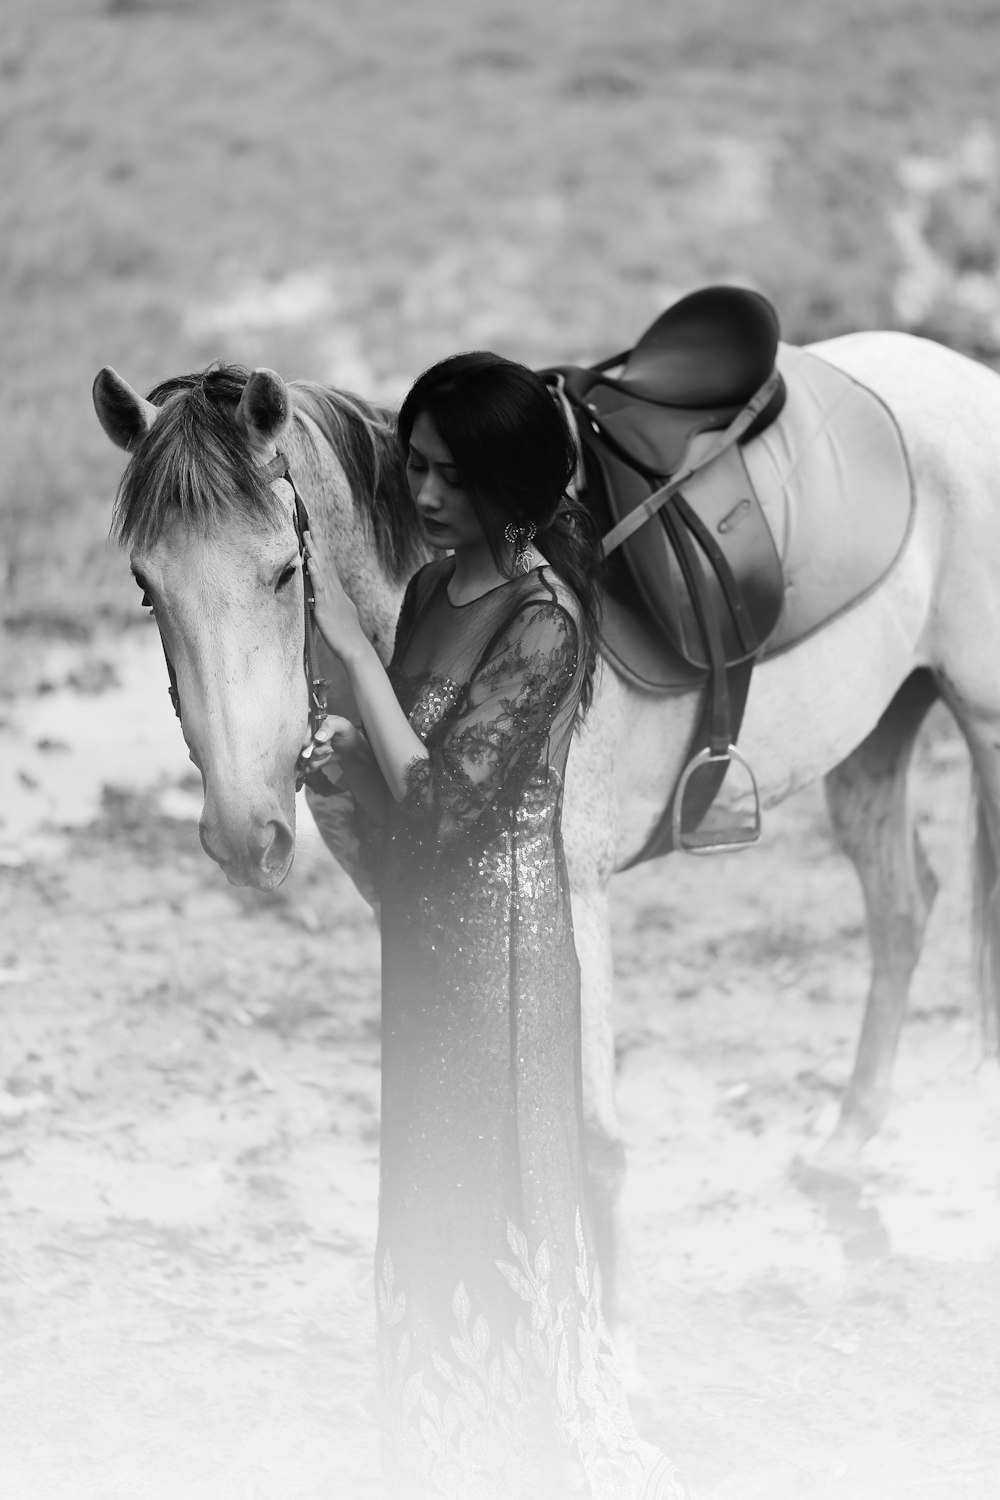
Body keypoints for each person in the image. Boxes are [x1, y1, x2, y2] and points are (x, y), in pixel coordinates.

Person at [303, 352, 694, 1499]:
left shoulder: (543, 628)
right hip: (424, 945)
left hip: (503, 957)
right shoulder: (430, 594)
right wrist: (345, 765)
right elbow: (401, 814)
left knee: (497, 1191)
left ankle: (526, 1456)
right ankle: (436, 1446)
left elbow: (444, 814)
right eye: (415, 469)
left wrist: (348, 659)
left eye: (454, 481)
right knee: (426, 1183)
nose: (422, 499)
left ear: (512, 490)